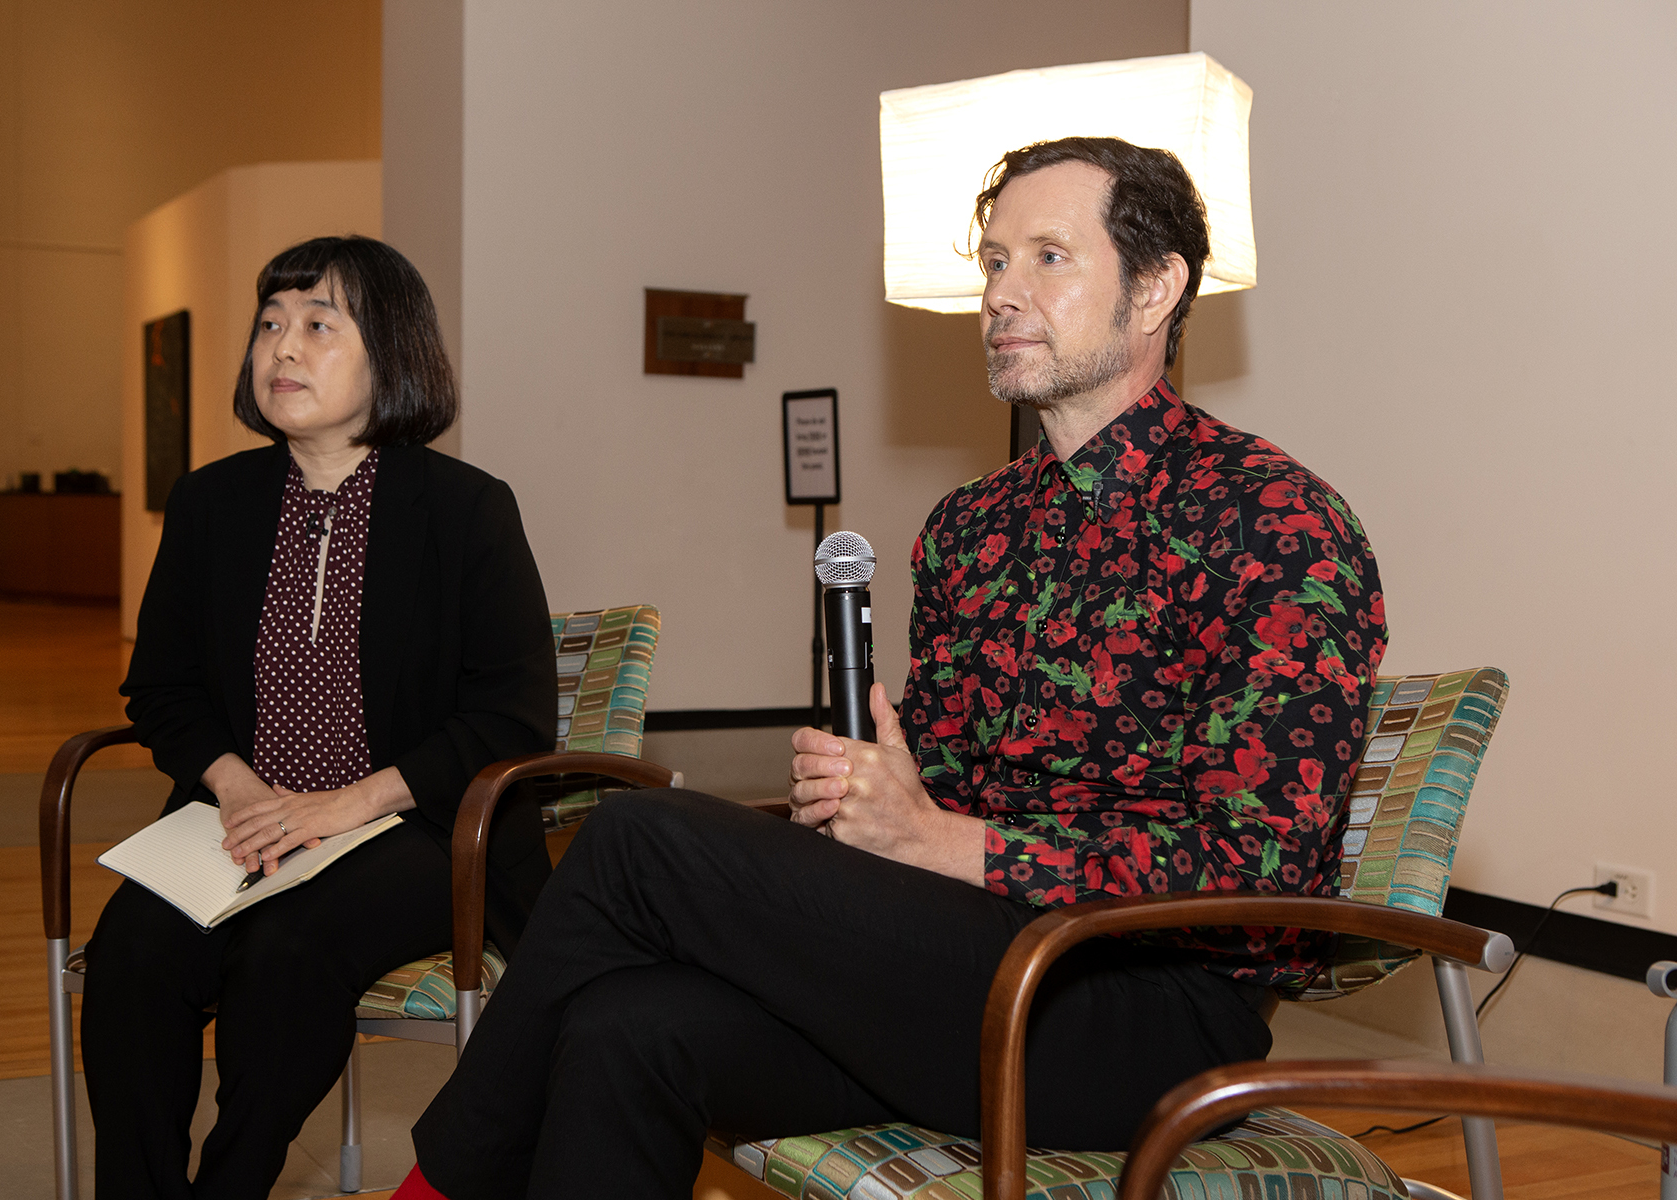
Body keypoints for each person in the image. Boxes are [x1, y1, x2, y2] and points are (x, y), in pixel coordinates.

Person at [395, 137, 1387, 1200]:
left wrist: (943, 838)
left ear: (1153, 289)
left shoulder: (1275, 522)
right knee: (622, 1026)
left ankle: (439, 1187)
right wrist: (880, 803)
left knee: (636, 838)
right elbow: (935, 808)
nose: (1001, 292)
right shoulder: (974, 526)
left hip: (1145, 1008)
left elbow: (1260, 867)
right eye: (993, 261)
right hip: (967, 967)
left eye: (1047, 258)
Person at [81, 235, 557, 1200]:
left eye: (317, 325)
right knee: (133, 954)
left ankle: (232, 1184)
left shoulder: (466, 510)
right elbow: (162, 687)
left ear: (391, 353)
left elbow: (511, 716)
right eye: (268, 326)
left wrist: (340, 806)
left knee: (285, 953)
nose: (282, 348)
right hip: (241, 815)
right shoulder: (211, 503)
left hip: (413, 826)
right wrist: (239, 785)